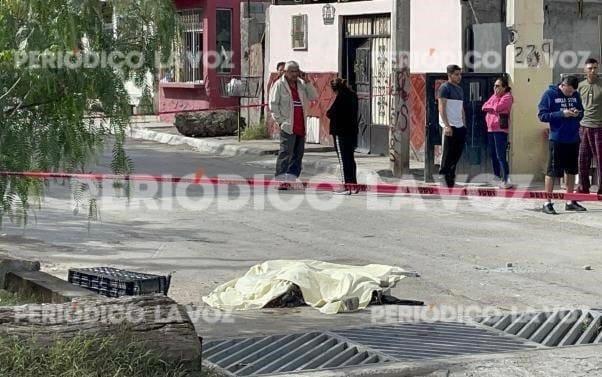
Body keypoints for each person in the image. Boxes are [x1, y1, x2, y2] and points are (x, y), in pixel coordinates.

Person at [537, 75, 586, 215]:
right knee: (552, 171)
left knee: (571, 171)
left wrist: (577, 113)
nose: (571, 94)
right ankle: (547, 202)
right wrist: (561, 114)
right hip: (557, 138)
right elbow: (542, 115)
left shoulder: (576, 95)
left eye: (572, 92)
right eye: (568, 91)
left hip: (573, 138)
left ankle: (570, 201)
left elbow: (581, 112)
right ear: (562, 85)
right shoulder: (549, 94)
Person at [269, 61, 318, 187]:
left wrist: (307, 81)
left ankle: (291, 178)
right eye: (292, 71)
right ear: (285, 72)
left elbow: (313, 97)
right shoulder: (279, 85)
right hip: (288, 125)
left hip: (300, 124)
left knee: (298, 154)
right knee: (286, 153)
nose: (295, 74)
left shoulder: (301, 84)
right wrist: (280, 122)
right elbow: (273, 105)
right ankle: (280, 180)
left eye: (297, 71)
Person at [326, 78, 359, 195]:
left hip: (340, 132)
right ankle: (354, 184)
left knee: (343, 159)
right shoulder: (353, 95)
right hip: (352, 131)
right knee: (350, 158)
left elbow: (330, 113)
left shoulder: (340, 97)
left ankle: (346, 185)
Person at [482, 76, 514, 189]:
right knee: (493, 155)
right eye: (494, 86)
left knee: (500, 155)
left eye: (498, 86)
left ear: (504, 87)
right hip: (490, 129)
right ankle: (496, 177)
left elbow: (498, 108)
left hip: (500, 129)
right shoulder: (494, 96)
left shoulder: (507, 97)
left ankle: (506, 179)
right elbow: (484, 106)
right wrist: (493, 104)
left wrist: (493, 105)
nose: (495, 88)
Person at [438, 64, 466, 188]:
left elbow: (461, 108)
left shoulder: (460, 89)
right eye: (456, 74)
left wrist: (464, 123)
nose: (459, 77)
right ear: (449, 75)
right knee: (447, 153)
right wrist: (447, 125)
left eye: (460, 74)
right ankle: (443, 177)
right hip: (450, 125)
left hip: (460, 125)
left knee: (457, 153)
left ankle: (451, 177)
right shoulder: (444, 88)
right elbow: (442, 107)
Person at [577, 58, 602, 195]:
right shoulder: (580, 86)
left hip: (599, 127)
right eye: (590, 68)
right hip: (583, 126)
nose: (593, 70)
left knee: (600, 159)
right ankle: (583, 187)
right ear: (585, 70)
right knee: (582, 159)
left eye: (595, 68)